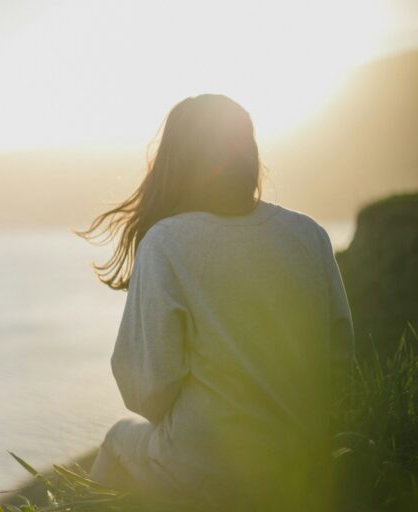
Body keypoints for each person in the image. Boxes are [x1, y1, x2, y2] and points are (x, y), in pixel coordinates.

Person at [78, 94, 356, 510]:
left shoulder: (167, 242)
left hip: (208, 474)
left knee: (119, 439)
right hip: (303, 463)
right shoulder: (309, 235)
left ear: (174, 162)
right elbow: (340, 362)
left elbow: (146, 392)